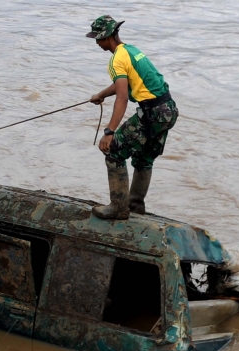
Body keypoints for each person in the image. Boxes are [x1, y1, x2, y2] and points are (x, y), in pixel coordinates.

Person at [86, 15, 179, 220]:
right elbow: (125, 83)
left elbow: (122, 96)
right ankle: (135, 206)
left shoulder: (116, 59)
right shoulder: (131, 50)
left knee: (113, 149)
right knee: (144, 158)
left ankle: (118, 208)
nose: (96, 43)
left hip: (152, 114)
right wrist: (101, 94)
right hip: (168, 110)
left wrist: (109, 132)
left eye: (98, 38)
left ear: (107, 36)